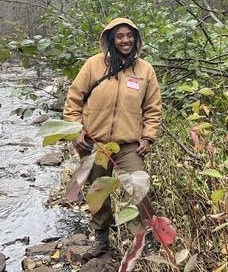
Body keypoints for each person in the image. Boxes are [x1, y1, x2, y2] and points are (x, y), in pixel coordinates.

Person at [62, 17, 162, 258]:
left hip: (128, 144)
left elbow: (153, 108)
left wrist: (148, 137)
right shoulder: (94, 65)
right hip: (94, 144)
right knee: (98, 191)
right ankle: (101, 237)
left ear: (136, 39)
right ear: (111, 39)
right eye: (120, 36)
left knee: (139, 188)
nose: (125, 40)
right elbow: (74, 100)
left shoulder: (145, 70)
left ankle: (143, 238)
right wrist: (76, 130)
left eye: (130, 36)